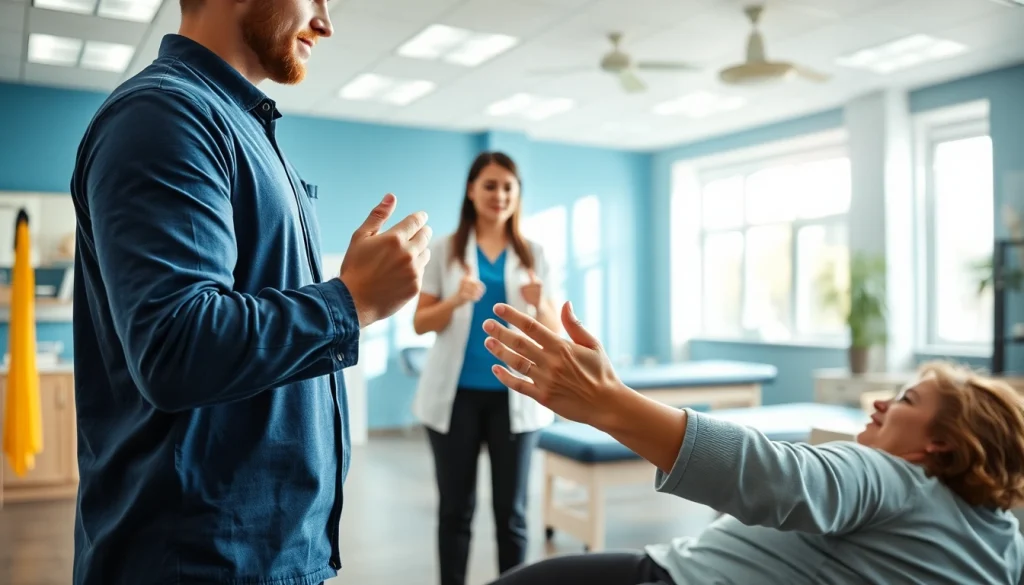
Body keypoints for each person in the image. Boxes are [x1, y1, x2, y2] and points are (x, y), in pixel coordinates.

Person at [68, 1, 432, 584]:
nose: (326, 23)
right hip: (198, 562)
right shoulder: (164, 115)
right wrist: (351, 301)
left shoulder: (240, 124)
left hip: (268, 552)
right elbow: (177, 346)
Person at [479, 302, 1024, 585]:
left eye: (905, 401)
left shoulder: (894, 478)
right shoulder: (1004, 546)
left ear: (942, 448)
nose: (881, 403)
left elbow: (778, 475)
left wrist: (612, 403)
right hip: (681, 562)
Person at [411, 152, 560, 585]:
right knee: (455, 511)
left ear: (518, 196)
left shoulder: (535, 254)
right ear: (472, 191)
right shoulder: (445, 250)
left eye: (508, 187)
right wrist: (455, 300)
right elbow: (421, 323)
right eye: (491, 185)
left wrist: (539, 301)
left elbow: (554, 332)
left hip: (514, 395)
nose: (500, 195)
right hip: (454, 398)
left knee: (511, 513)